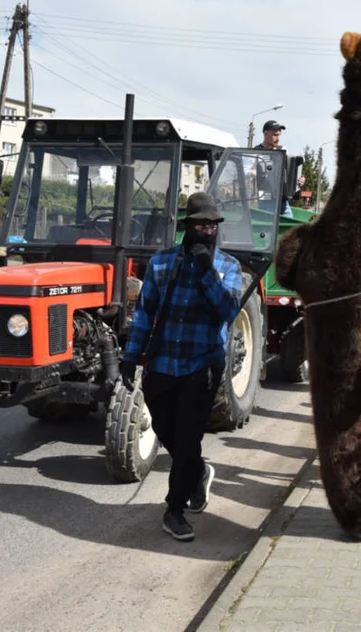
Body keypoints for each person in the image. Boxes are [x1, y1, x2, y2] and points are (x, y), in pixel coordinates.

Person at [119, 192, 243, 542]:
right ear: (187, 227)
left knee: (188, 439)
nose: (207, 231)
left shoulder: (227, 267)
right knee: (164, 428)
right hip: (162, 363)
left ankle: (174, 509)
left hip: (202, 366)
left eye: (212, 225)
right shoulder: (161, 263)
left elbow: (228, 311)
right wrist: (131, 355)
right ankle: (199, 473)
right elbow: (144, 312)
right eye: (200, 224)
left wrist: (206, 273)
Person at [254, 120, 293, 216]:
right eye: (275, 135)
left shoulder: (283, 150)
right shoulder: (255, 151)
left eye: (279, 135)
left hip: (283, 201)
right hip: (266, 199)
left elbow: (291, 171)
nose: (278, 138)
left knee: (289, 227)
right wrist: (255, 173)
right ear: (265, 133)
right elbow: (245, 172)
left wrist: (298, 180)